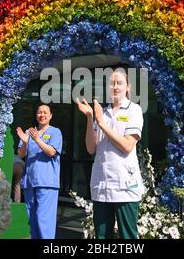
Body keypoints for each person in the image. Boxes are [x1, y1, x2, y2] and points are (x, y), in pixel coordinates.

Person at [76, 68, 144, 239]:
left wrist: (101, 123)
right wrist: (91, 118)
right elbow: (91, 148)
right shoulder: (102, 113)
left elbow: (127, 145)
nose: (115, 87)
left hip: (125, 187)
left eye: (119, 83)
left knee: (128, 237)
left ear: (127, 86)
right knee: (102, 237)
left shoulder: (133, 110)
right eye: (112, 83)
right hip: (101, 185)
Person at [16, 103, 62, 239]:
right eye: (39, 112)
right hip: (30, 183)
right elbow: (21, 154)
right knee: (33, 220)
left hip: (47, 183)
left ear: (51, 115)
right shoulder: (28, 132)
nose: (42, 115)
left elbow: (51, 152)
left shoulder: (55, 132)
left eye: (45, 112)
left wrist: (36, 139)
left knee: (44, 221)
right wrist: (25, 142)